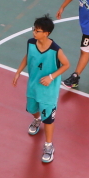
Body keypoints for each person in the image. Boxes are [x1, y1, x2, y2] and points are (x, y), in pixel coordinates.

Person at [12, 14, 70, 163]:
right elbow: (28, 56)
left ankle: (49, 145)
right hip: (33, 86)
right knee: (32, 109)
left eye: (37, 31)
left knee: (48, 119)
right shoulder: (31, 43)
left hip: (48, 90)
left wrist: (51, 77)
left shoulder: (56, 50)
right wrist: (18, 71)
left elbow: (66, 65)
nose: (34, 33)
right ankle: (37, 119)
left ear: (46, 33)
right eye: (34, 29)